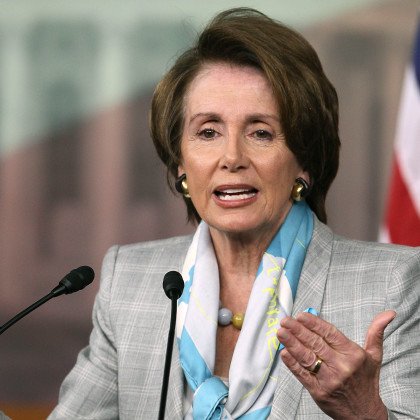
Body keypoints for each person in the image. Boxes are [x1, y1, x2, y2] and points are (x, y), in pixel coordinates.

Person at [46, 8, 419, 419]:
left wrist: (366, 412)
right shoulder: (131, 282)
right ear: (181, 162)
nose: (232, 157)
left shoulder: (393, 285)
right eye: (208, 132)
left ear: (304, 161)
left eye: (261, 132)